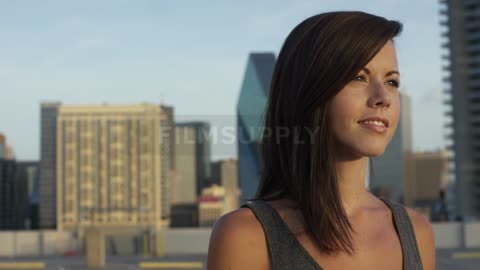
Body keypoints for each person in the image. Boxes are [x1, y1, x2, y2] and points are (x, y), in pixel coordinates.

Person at [207, 11, 435, 270]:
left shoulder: (417, 233)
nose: (383, 97)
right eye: (358, 77)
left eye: (392, 81)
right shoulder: (244, 236)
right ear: (310, 91)